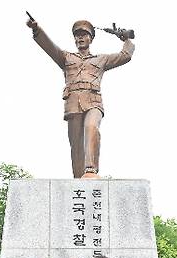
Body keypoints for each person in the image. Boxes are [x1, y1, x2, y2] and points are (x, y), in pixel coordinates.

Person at [26, 17, 135, 178]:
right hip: (73, 103)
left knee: (91, 127)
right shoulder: (66, 57)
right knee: (76, 144)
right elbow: (50, 47)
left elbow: (125, 55)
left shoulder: (101, 59)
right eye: (77, 35)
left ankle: (91, 170)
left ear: (91, 38)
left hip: (93, 101)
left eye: (84, 35)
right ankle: (79, 180)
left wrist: (126, 39)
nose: (80, 38)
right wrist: (37, 30)